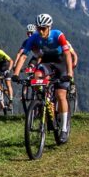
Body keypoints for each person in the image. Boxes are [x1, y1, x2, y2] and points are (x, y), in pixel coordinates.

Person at [13, 13, 76, 144]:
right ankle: (41, 101)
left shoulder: (58, 35)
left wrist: (69, 73)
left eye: (44, 28)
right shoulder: (35, 37)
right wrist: (16, 73)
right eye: (38, 28)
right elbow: (24, 55)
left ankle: (64, 128)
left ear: (49, 27)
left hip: (61, 63)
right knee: (37, 75)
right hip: (47, 61)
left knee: (60, 94)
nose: (41, 31)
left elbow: (67, 54)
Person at [0, 41, 15, 108]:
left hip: (5, 66)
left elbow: (11, 61)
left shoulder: (0, 52)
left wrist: (8, 70)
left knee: (8, 84)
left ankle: (11, 101)